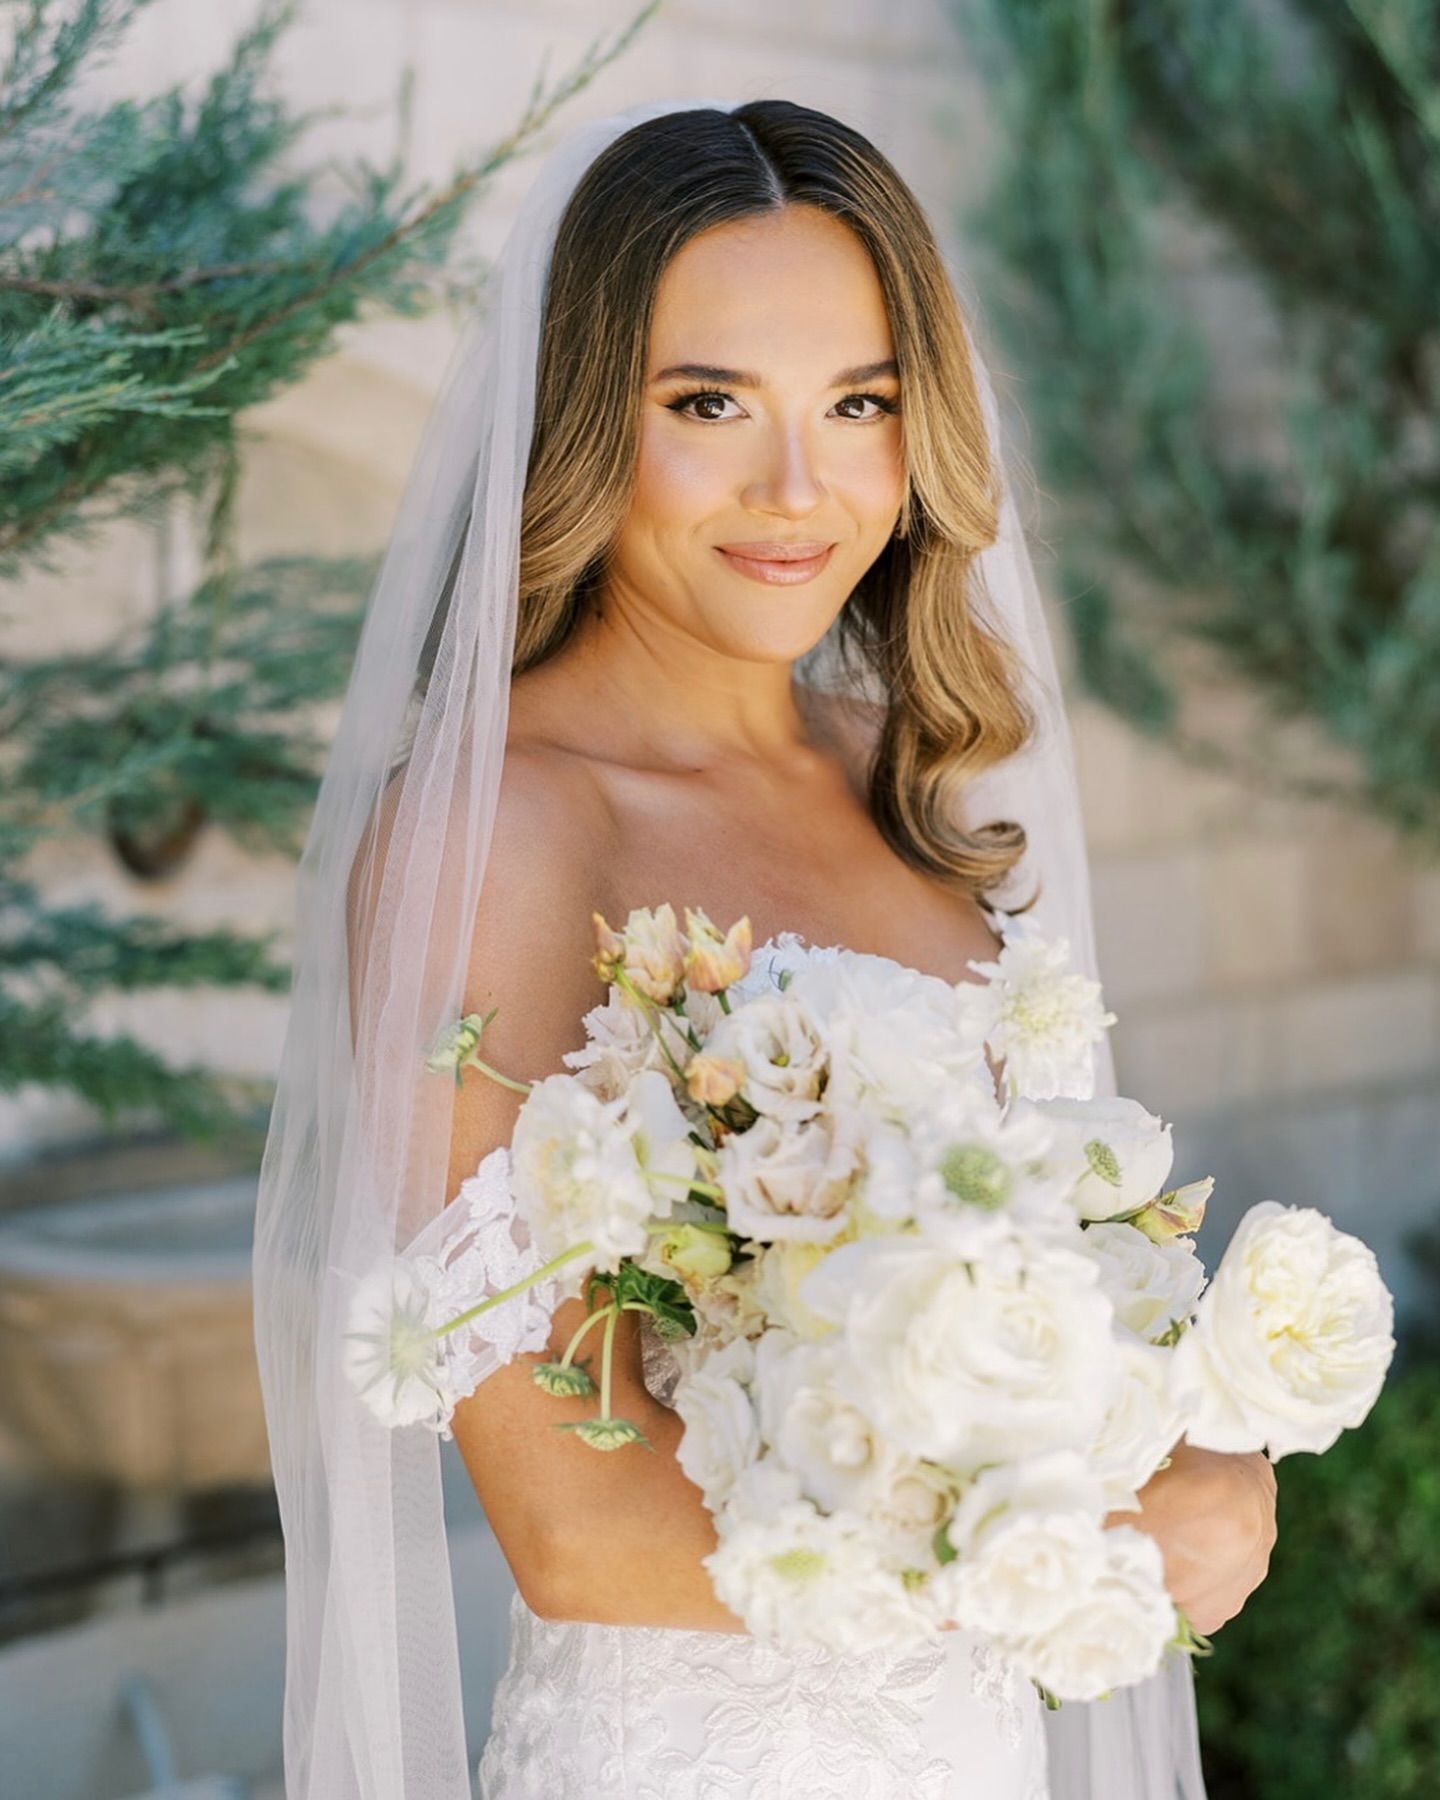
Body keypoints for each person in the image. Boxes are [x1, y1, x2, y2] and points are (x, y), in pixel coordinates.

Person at [253, 96, 1276, 1800]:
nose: (799, 489)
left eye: (860, 404)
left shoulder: (922, 781)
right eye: (709, 403)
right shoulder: (504, 827)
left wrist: (1190, 1445)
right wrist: (1068, 1549)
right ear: (589, 423)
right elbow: (571, 1524)